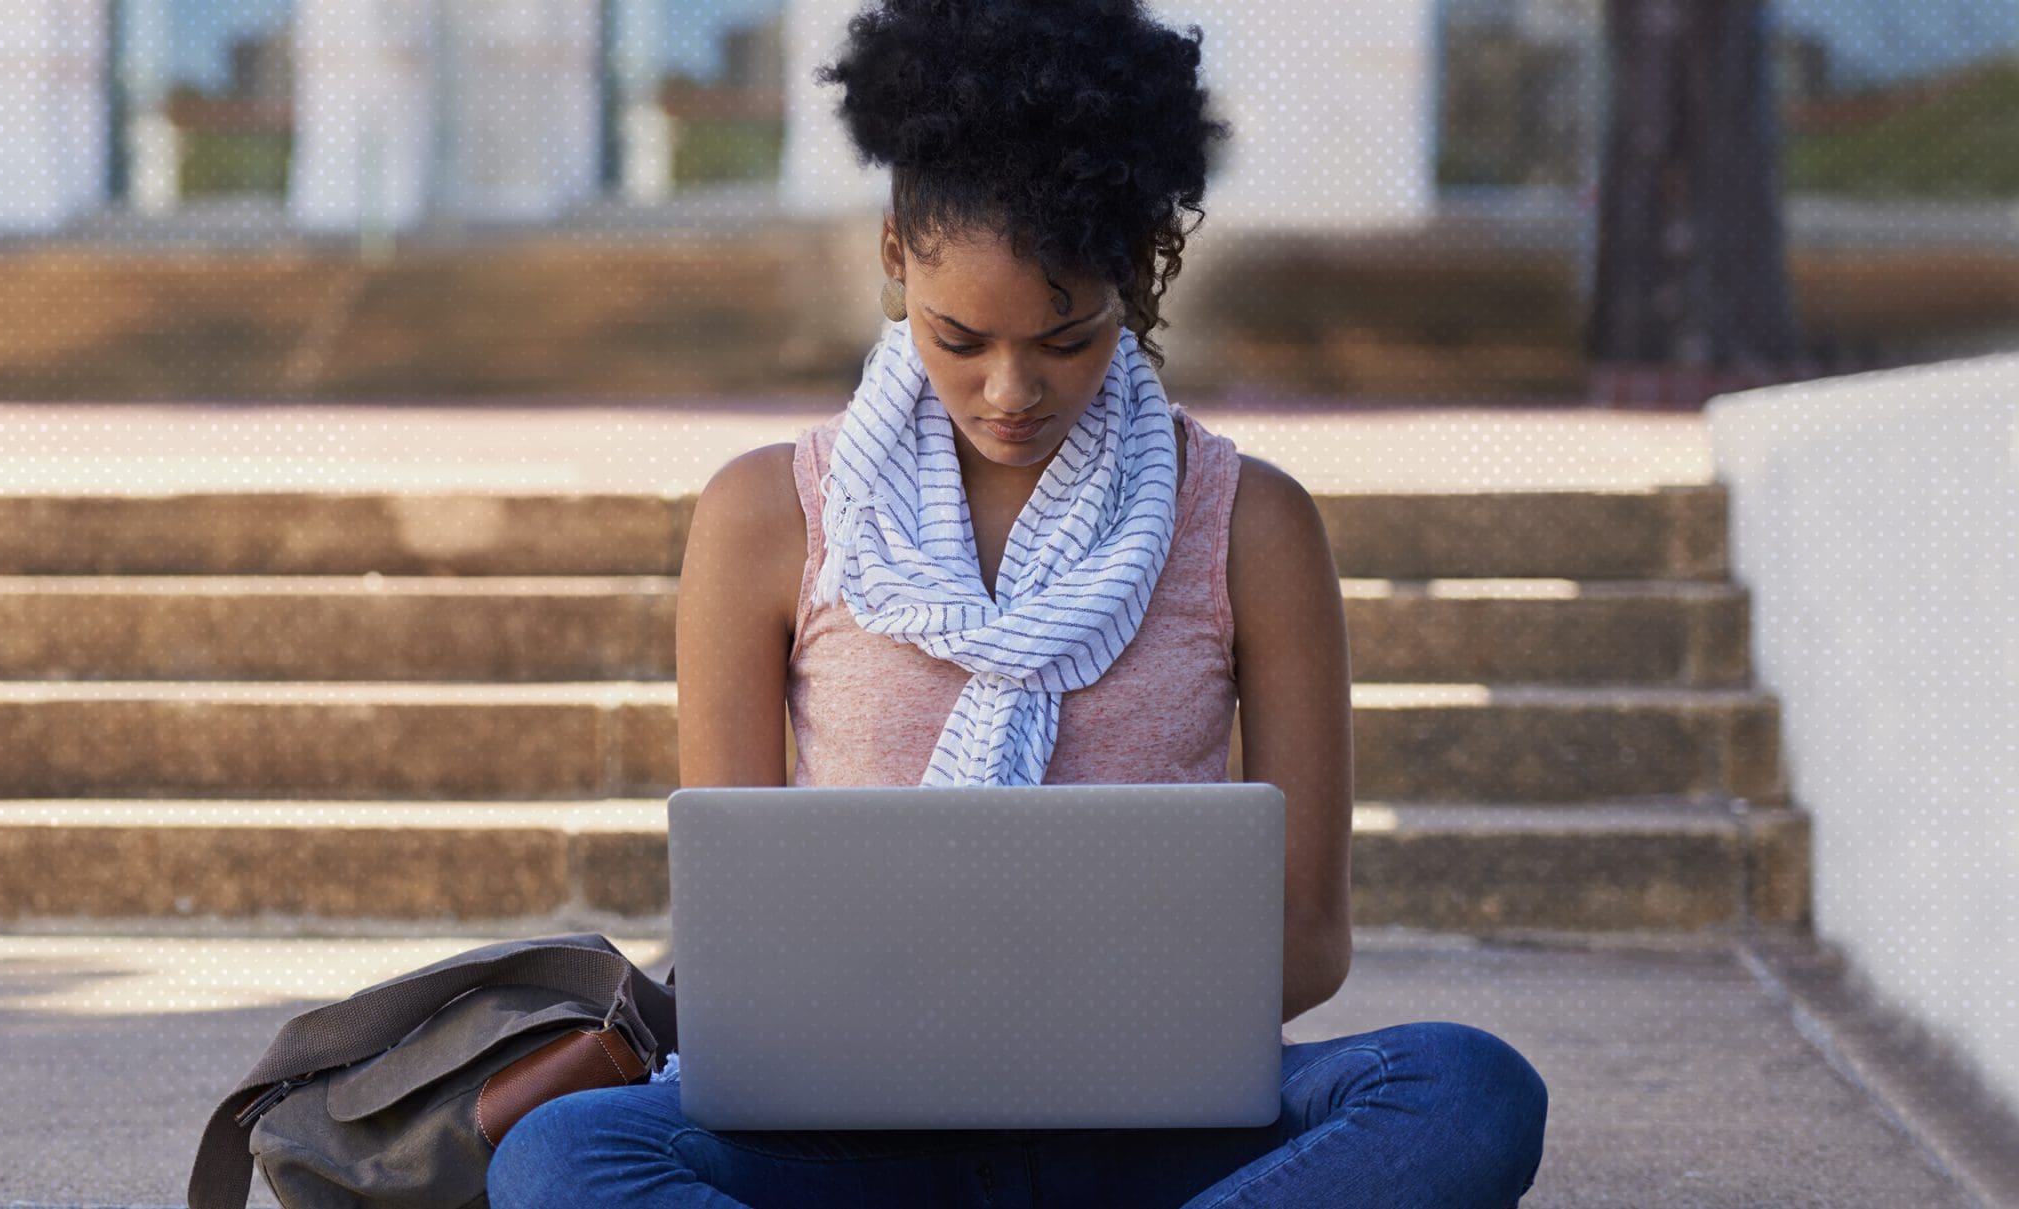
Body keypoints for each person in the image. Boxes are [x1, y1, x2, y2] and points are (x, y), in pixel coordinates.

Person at [487, 1, 1548, 1204]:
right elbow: (740, 940)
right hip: (857, 1125)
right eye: (958, 336)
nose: (1008, 391)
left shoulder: (1250, 524)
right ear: (894, 252)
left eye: (1066, 338)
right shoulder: (766, 518)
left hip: (1152, 1124)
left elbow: (1307, 939)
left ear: (1138, 271)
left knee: (1465, 1090)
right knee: (561, 1155)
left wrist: (1075, 1026)